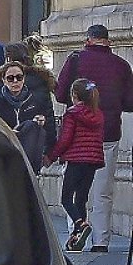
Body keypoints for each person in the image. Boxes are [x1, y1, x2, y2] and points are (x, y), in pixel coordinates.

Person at [54, 24, 133, 252]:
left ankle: (76, 235)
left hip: (77, 138)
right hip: (107, 134)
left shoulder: (76, 60)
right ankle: (101, 241)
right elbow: (129, 102)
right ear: (108, 41)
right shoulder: (121, 65)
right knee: (103, 190)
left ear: (88, 39)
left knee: (75, 190)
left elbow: (60, 94)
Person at [44, 79, 106, 253]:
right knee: (81, 199)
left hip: (76, 159)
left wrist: (51, 156)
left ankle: (80, 225)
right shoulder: (98, 114)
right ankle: (77, 238)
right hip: (93, 161)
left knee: (66, 198)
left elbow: (65, 140)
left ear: (74, 95)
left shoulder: (72, 113)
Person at [0, 61, 57, 172]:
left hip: (29, 156)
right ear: (4, 81)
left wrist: (39, 124)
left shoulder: (35, 100)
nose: (15, 81)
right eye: (10, 78)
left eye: (19, 77)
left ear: (24, 79)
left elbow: (48, 127)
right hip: (5, 154)